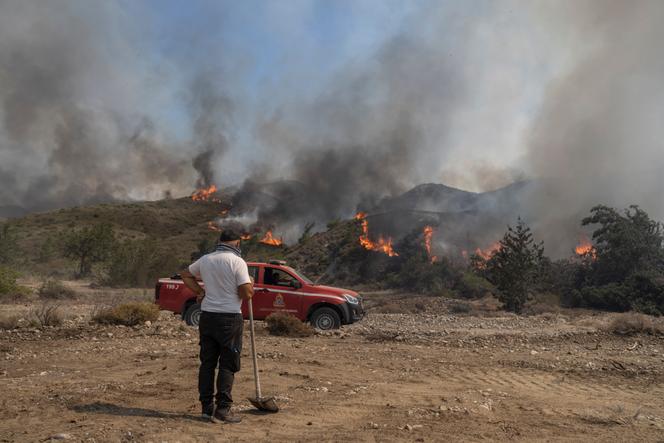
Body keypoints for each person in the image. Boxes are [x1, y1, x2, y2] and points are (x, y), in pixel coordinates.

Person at [180, 227, 254, 424]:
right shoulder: (237, 262)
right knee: (228, 364)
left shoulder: (206, 259)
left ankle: (206, 409)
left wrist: (200, 291)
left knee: (207, 364)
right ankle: (223, 410)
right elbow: (246, 294)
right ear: (237, 242)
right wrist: (250, 283)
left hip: (208, 317)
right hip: (229, 318)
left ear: (220, 241)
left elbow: (186, 274)